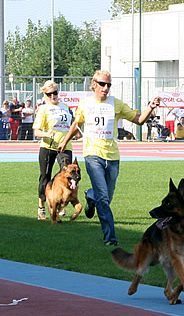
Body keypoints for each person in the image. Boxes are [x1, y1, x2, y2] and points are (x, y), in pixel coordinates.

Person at [58, 70, 160, 246]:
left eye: (108, 85)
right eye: (102, 84)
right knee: (104, 199)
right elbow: (77, 123)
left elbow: (139, 120)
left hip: (112, 156)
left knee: (106, 197)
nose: (106, 88)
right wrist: (65, 141)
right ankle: (110, 237)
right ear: (94, 85)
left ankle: (90, 196)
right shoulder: (85, 104)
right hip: (92, 155)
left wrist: (151, 106)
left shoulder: (116, 104)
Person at [32, 81, 75, 220]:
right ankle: (42, 207)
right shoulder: (43, 109)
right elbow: (37, 131)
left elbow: (71, 126)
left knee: (67, 175)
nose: (52, 96)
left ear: (58, 92)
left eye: (54, 93)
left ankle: (61, 204)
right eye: (49, 94)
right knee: (45, 176)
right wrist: (46, 134)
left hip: (65, 145)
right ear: (45, 95)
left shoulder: (65, 107)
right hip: (48, 146)